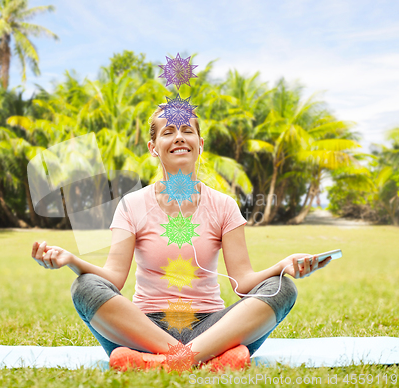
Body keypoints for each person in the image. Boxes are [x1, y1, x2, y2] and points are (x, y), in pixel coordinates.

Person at [31, 107, 332, 371]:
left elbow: (242, 283)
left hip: (211, 328)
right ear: (153, 147)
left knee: (282, 288)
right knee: (84, 286)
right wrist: (71, 260)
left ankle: (164, 363)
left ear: (199, 145)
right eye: (168, 131)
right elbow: (113, 279)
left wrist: (282, 267)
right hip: (144, 329)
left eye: (187, 130)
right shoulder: (131, 205)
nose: (178, 137)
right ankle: (208, 361)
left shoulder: (223, 205)